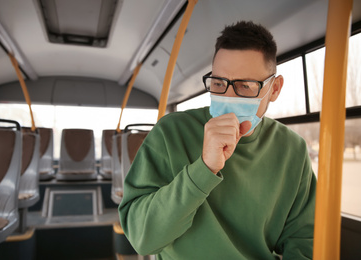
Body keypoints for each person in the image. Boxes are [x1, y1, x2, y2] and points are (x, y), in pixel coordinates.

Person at [118, 20, 316, 259]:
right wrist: (204, 168)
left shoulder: (292, 149)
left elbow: (304, 240)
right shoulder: (170, 132)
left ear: (274, 89)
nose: (228, 97)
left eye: (245, 86)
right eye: (219, 84)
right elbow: (143, 239)